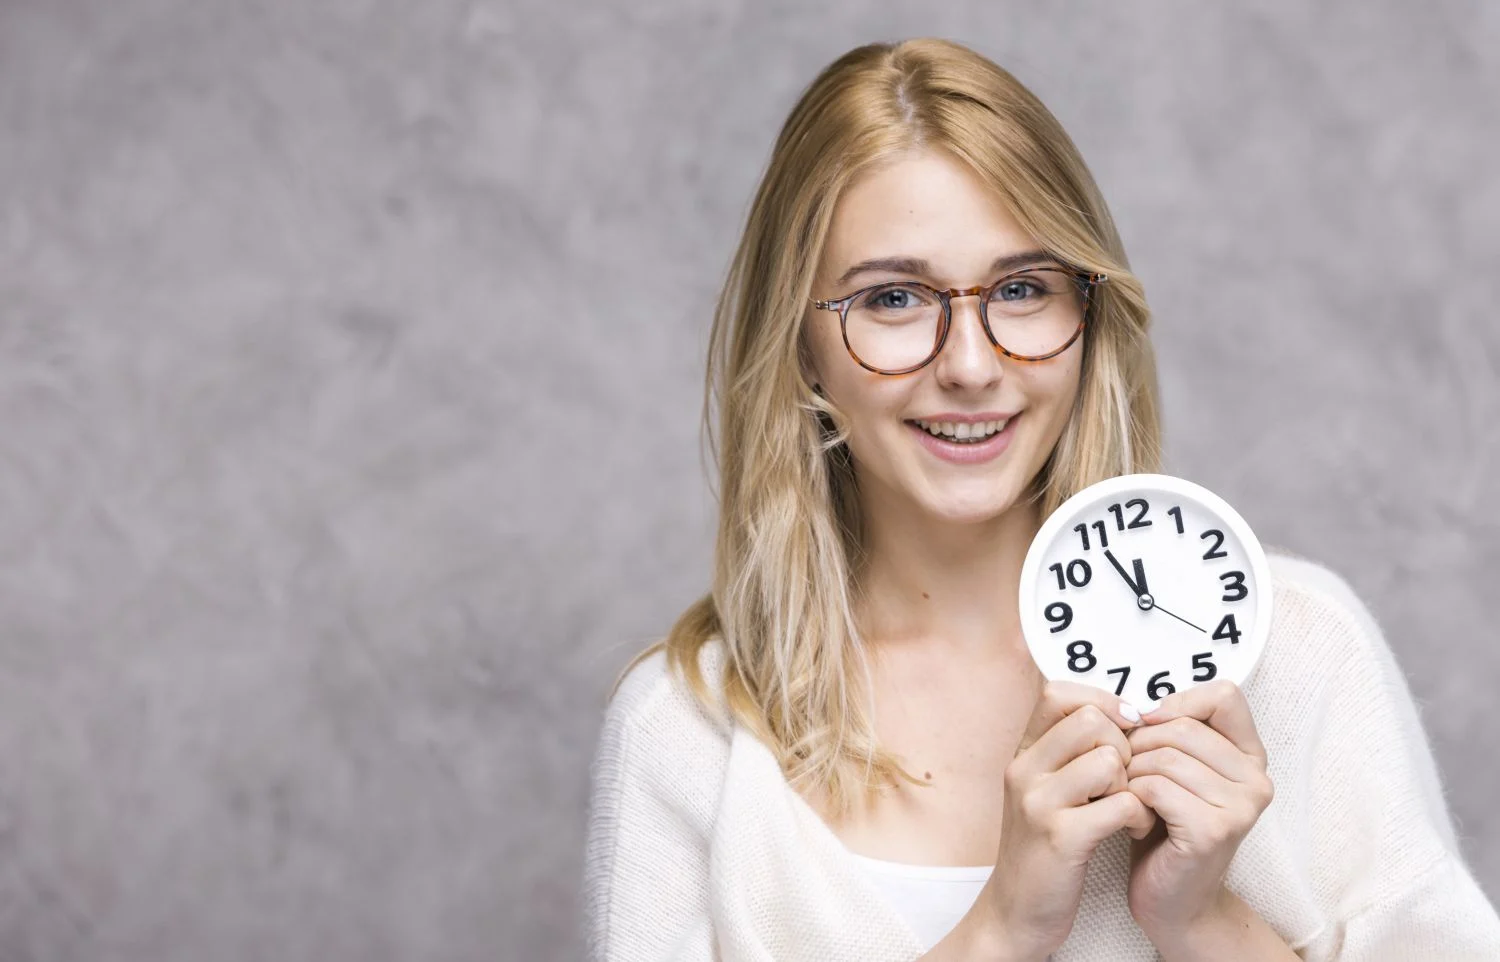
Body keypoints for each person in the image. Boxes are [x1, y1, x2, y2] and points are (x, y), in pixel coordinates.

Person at [581, 37, 1500, 961]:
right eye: (894, 299)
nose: (971, 366)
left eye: (1022, 289)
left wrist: (1201, 919)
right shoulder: (691, 732)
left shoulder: (1294, 650)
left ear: (1089, 315)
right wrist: (1005, 926)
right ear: (799, 346)